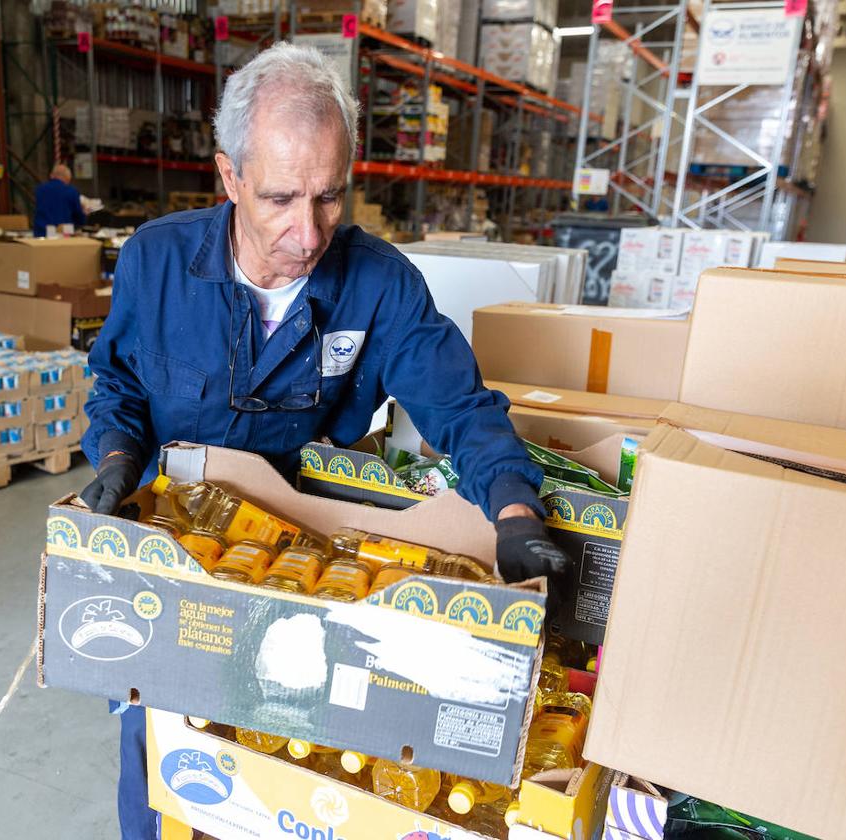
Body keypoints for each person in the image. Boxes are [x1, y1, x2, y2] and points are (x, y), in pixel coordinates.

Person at [79, 43, 571, 840]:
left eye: (329, 198)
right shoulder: (158, 263)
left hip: (310, 564)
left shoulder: (379, 284)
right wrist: (115, 459)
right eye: (278, 198)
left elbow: (460, 406)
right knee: (166, 753)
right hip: (180, 558)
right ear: (229, 175)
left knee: (297, 765)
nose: (307, 234)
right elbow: (119, 385)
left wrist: (513, 510)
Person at [32, 163, 86, 236]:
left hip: (41, 232)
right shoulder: (71, 191)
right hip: (63, 234)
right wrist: (84, 213)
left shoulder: (40, 189)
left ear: (52, 175)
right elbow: (78, 215)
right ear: (66, 178)